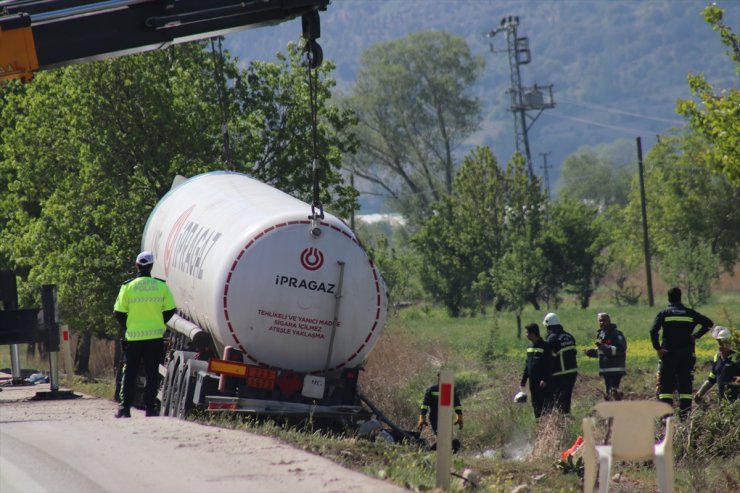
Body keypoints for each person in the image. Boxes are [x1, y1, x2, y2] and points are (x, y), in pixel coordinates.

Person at [113, 251, 176, 418]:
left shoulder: (128, 287)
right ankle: (150, 408)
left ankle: (124, 409)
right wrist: (160, 323)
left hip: (133, 339)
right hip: (155, 338)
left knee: (130, 374)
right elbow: (171, 309)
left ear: (137, 265)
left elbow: (118, 312)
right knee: (152, 374)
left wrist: (129, 326)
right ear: (152, 267)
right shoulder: (161, 286)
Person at [650, 286, 713, 419]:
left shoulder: (664, 313)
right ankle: (685, 417)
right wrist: (696, 336)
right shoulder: (690, 313)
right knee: (685, 386)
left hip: (669, 355)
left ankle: (665, 418)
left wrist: (658, 348)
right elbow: (708, 323)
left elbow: (653, 331)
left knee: (666, 387)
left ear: (669, 298)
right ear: (680, 297)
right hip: (686, 355)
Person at [583, 312, 627, 400]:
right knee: (609, 393)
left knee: (613, 393)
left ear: (609, 321)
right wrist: (592, 352)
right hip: (606, 370)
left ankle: (615, 411)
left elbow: (621, 349)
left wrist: (604, 347)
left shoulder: (616, 334)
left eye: (604, 320)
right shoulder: (601, 334)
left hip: (615, 369)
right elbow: (602, 351)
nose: (602, 323)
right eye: (600, 321)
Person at [543, 312, 578, 415]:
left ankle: (562, 422)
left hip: (559, 373)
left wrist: (546, 375)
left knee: (559, 399)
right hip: (572, 372)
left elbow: (549, 359)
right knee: (567, 397)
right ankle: (567, 417)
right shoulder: (569, 336)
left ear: (548, 325)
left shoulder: (552, 338)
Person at [694, 326, 739, 403]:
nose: (721, 345)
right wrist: (700, 393)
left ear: (729, 343)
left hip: (737, 401)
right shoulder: (717, 357)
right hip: (723, 401)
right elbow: (711, 378)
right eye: (719, 342)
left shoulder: (737, 357)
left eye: (724, 342)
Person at [520, 323, 552, 419]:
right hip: (532, 382)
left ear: (532, 333)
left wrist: (545, 379)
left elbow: (549, 364)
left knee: (544, 405)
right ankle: (539, 425)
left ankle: (548, 425)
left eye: (527, 332)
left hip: (542, 383)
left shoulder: (545, 346)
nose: (526, 335)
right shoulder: (530, 346)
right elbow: (528, 364)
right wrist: (524, 379)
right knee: (535, 404)